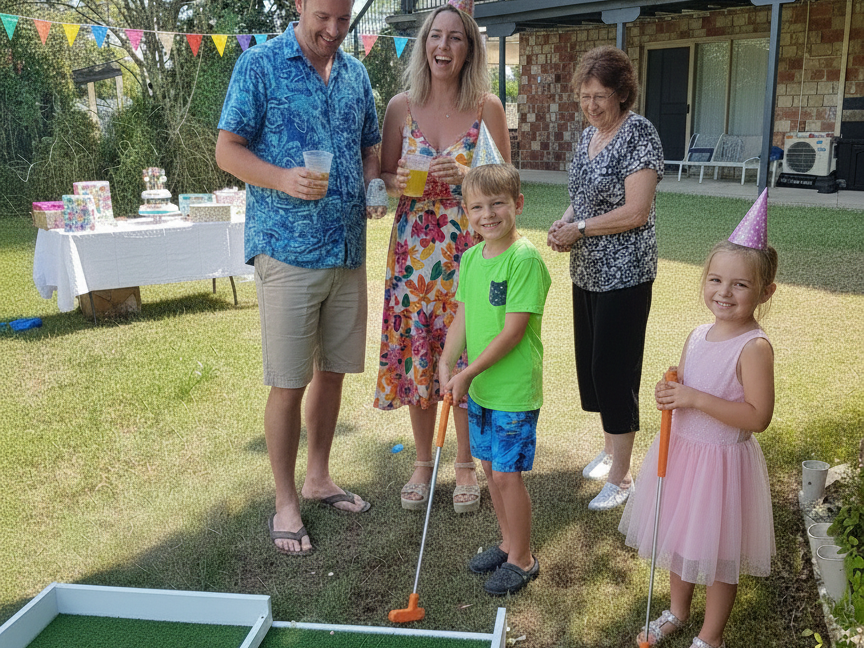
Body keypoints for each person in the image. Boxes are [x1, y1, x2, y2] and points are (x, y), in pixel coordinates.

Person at [214, 0, 381, 555]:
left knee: (332, 372)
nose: (334, 31)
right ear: (299, 6)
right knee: (289, 382)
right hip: (286, 252)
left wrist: (373, 186)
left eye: (343, 20)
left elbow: (370, 150)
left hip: (347, 251)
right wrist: (283, 178)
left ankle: (318, 477)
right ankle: (286, 501)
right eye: (323, 17)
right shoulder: (259, 66)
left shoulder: (357, 75)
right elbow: (227, 150)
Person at [619, 193, 778, 648]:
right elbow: (686, 389)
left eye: (740, 285)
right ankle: (677, 610)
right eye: (715, 280)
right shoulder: (697, 333)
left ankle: (711, 637)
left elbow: (757, 416)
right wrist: (672, 393)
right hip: (685, 453)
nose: (724, 293)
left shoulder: (754, 347)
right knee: (681, 539)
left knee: (719, 554)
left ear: (765, 292)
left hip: (723, 464)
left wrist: (694, 396)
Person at [373, 0, 511, 514]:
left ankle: (465, 464)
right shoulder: (399, 107)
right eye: (435, 36)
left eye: (455, 38)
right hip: (412, 251)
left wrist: (469, 179)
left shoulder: (487, 109)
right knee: (418, 350)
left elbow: (506, 186)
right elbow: (384, 177)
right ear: (422, 43)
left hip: (467, 248)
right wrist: (410, 177)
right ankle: (423, 462)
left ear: (469, 48)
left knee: (464, 352)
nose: (443, 46)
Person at [546, 46, 663, 511]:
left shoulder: (639, 134)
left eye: (601, 96)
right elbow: (582, 197)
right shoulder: (587, 137)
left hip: (626, 272)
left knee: (615, 370)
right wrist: (564, 222)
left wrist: (582, 229)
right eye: (585, 95)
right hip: (589, 270)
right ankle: (612, 448)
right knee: (593, 368)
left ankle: (622, 476)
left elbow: (637, 211)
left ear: (621, 94)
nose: (591, 105)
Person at [439, 164, 551, 596]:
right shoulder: (470, 257)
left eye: (498, 203)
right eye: (477, 207)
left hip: (513, 390)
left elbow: (513, 331)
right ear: (466, 213)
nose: (488, 214)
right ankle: (508, 544)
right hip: (481, 387)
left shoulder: (524, 260)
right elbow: (463, 317)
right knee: (488, 466)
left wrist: (467, 371)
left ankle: (523, 559)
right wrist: (448, 360)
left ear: (518, 205)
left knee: (507, 475)